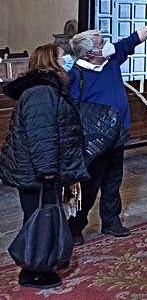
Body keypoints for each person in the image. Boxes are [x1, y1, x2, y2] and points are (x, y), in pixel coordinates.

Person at [67, 3, 147, 244]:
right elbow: (71, 111)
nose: (107, 43)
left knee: (113, 180)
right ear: (89, 53)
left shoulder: (110, 59)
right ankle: (75, 227)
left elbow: (136, 38)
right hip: (94, 140)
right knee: (89, 185)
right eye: (101, 42)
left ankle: (111, 221)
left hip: (117, 132)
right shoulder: (75, 76)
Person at [0, 44, 89, 290]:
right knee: (42, 217)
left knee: (36, 217)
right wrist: (47, 170)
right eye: (63, 56)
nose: (68, 60)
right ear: (52, 61)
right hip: (38, 169)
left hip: (35, 168)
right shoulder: (42, 92)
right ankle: (41, 270)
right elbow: (42, 135)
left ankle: (31, 270)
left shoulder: (44, 88)